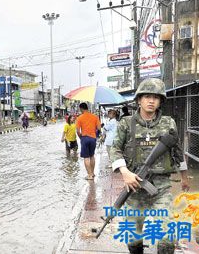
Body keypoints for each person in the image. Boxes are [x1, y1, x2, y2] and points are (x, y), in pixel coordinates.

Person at [109, 78, 189, 254]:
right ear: (139, 100)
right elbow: (115, 149)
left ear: (160, 101)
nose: (151, 101)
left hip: (161, 188)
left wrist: (184, 177)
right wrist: (124, 172)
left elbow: (177, 151)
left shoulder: (169, 123)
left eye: (155, 97)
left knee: (168, 236)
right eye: (146, 96)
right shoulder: (126, 123)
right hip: (135, 187)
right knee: (133, 236)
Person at [75, 102, 101, 180]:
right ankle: (92, 173)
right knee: (92, 156)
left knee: (86, 157)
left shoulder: (79, 117)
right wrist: (95, 136)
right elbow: (99, 129)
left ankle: (89, 175)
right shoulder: (95, 117)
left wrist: (81, 138)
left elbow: (78, 131)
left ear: (81, 109)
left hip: (84, 138)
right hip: (93, 138)